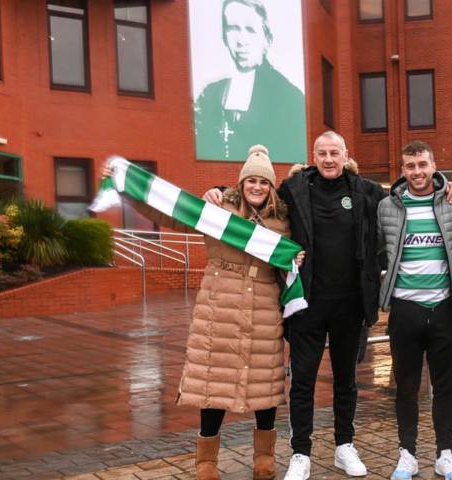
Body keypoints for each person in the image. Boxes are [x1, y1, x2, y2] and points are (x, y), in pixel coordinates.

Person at [204, 131, 406, 480]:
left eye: (334, 153)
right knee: (303, 382)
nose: (329, 159)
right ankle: (301, 453)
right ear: (314, 156)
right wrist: (223, 192)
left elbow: (403, 196)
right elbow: (258, 194)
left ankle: (345, 445)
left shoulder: (365, 191)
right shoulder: (295, 189)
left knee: (346, 380)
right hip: (306, 303)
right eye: (322, 153)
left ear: (345, 155)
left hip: (351, 304)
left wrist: (444, 186)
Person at [104, 146, 304, 480]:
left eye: (264, 182)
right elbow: (168, 214)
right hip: (218, 306)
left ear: (271, 187)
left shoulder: (282, 219)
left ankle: (264, 458)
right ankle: (206, 463)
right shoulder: (218, 209)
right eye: (251, 180)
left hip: (264, 307)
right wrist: (125, 186)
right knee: (212, 384)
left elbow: (301, 247)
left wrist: (297, 259)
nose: (257, 187)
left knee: (265, 384)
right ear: (241, 184)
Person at [377, 141, 452, 480]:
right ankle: (407, 454)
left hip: (444, 309)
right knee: (406, 388)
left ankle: (445, 454)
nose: (417, 172)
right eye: (410, 166)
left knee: (445, 388)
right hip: (405, 310)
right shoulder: (386, 207)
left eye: (422, 165)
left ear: (433, 165)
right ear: (402, 171)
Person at [194, 0, 307, 162]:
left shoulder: (289, 97)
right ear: (224, 37)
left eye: (250, 29)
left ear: (267, 39)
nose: (241, 40)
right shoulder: (210, 95)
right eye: (232, 28)